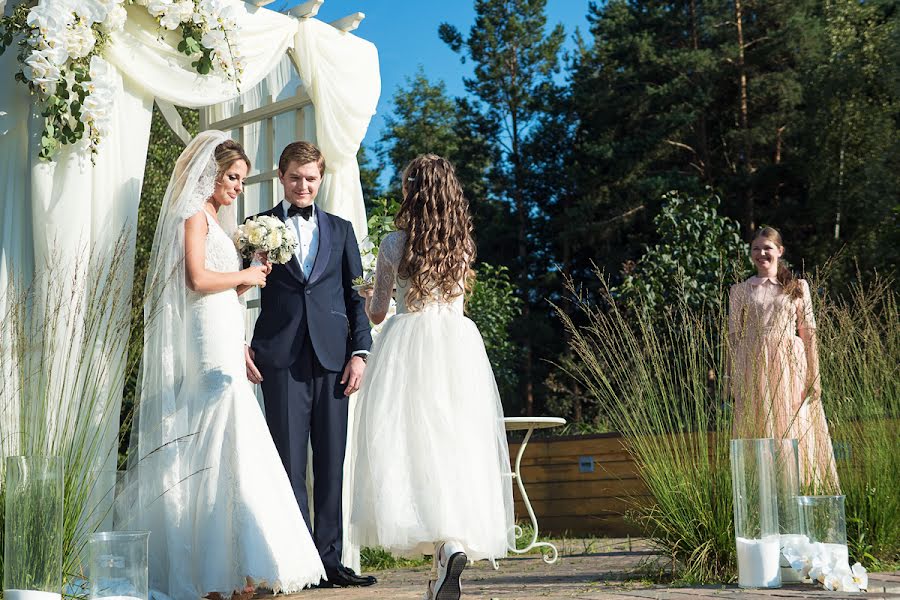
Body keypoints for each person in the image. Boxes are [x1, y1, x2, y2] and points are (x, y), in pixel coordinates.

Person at [127, 131, 326, 600]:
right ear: (210, 174)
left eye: (240, 179)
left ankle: (239, 565)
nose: (238, 186)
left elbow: (218, 288)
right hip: (203, 334)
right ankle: (217, 567)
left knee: (229, 429)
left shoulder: (217, 219)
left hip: (222, 327)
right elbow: (196, 279)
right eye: (232, 178)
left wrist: (247, 278)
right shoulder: (193, 216)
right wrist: (246, 275)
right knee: (216, 421)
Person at [349, 154, 514, 600]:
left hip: (409, 344)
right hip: (456, 348)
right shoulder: (460, 244)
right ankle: (451, 546)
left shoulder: (393, 244)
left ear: (412, 191)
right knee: (454, 444)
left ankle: (442, 547)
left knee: (410, 447)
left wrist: (369, 293)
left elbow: (380, 311)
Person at [244, 141, 376, 588]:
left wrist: (360, 353)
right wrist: (236, 343)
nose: (304, 185)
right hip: (278, 358)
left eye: (312, 178)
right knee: (288, 462)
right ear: (281, 176)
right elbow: (230, 290)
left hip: (334, 359)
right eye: (296, 177)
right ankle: (300, 562)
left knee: (331, 462)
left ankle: (331, 561)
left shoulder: (341, 230)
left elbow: (358, 296)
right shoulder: (255, 227)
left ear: (321, 179)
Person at [728, 226, 840, 491]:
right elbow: (733, 338)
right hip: (752, 363)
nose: (761, 253)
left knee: (793, 424)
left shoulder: (798, 286)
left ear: (780, 251)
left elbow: (809, 334)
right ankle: (762, 490)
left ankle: (798, 487)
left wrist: (815, 375)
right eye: (756, 248)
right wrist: (731, 377)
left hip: (790, 365)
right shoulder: (739, 290)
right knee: (757, 425)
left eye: (767, 248)